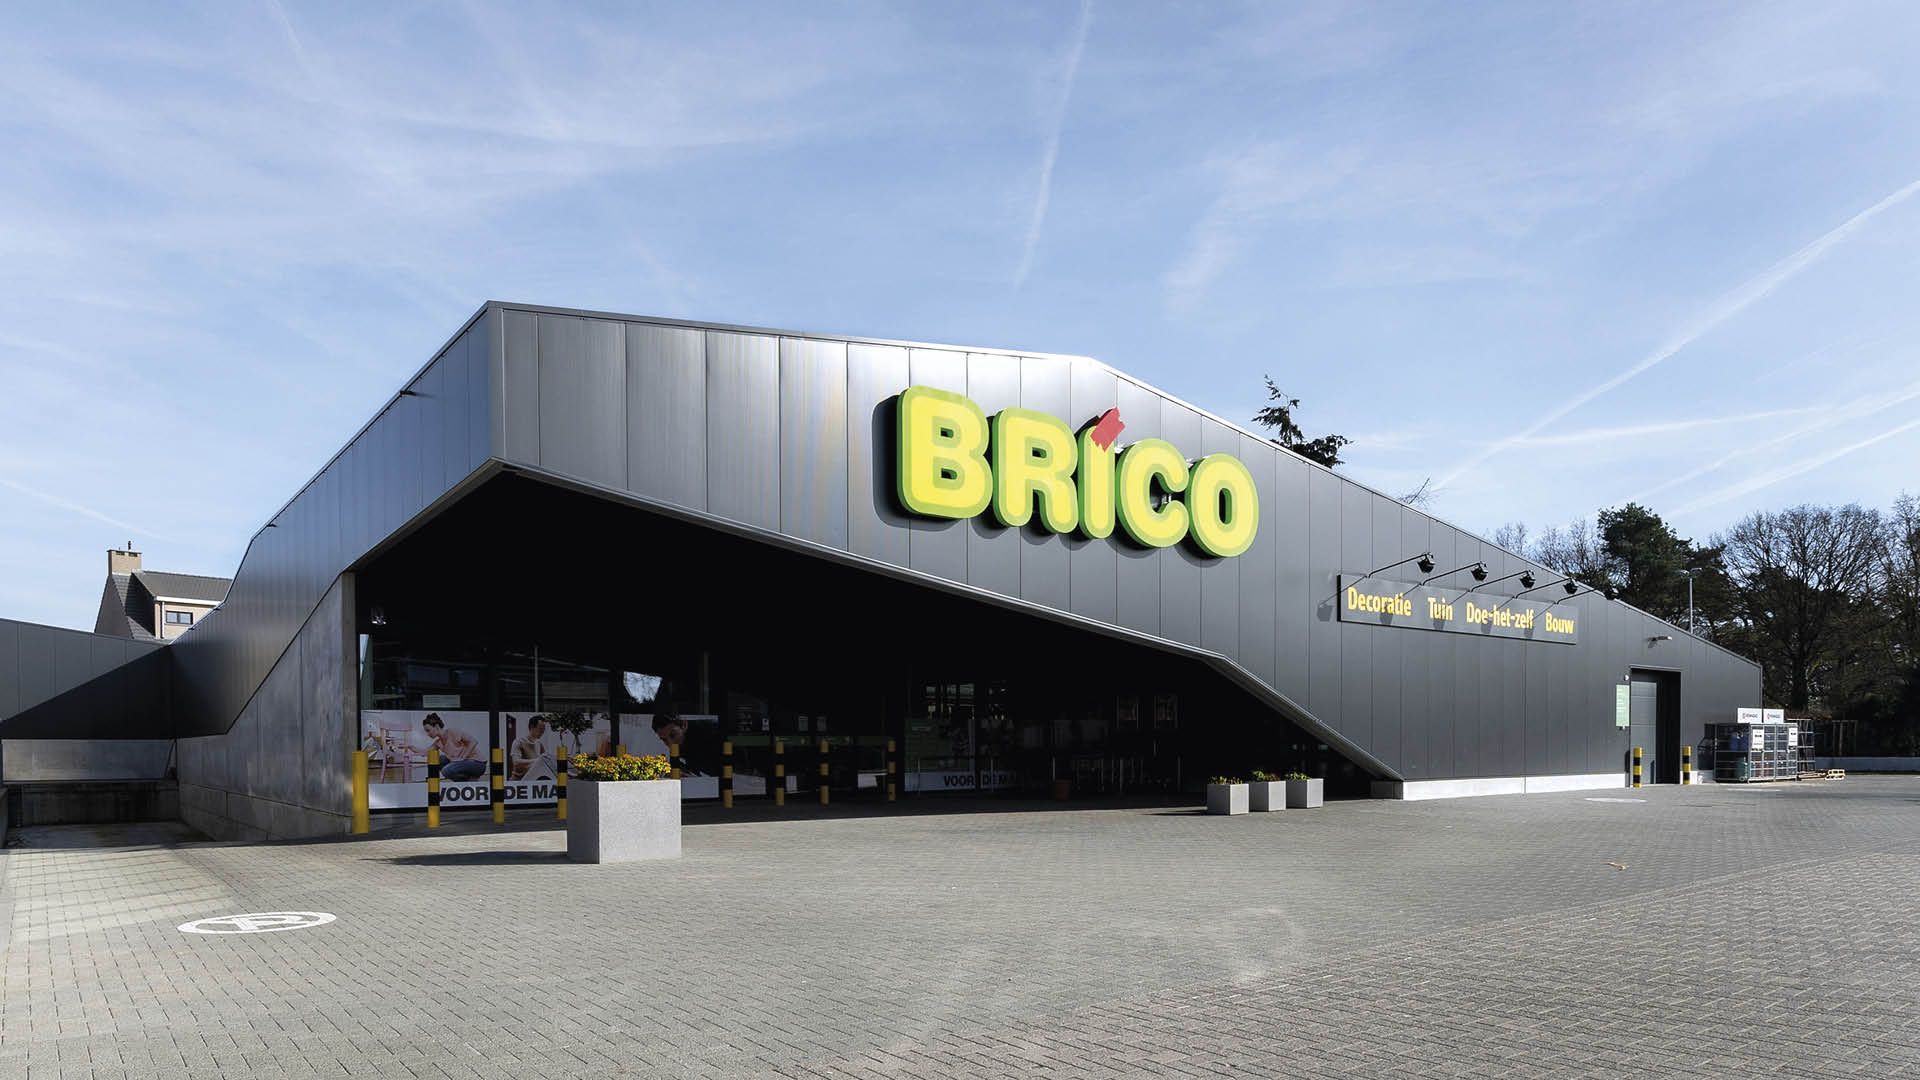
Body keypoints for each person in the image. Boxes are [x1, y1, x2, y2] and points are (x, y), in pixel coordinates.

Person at [422, 713, 486, 780]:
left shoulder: (453, 732)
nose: (428, 734)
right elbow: (425, 752)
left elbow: (473, 741)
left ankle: (468, 779)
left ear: (436, 726)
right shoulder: (438, 742)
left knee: (446, 771)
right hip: (463, 764)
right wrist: (413, 748)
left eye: (428, 730)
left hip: (477, 763)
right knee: (439, 759)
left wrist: (462, 758)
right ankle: (467, 778)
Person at [510, 715, 554, 781]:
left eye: (543, 729)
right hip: (519, 781)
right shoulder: (519, 742)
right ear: (532, 727)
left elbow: (545, 761)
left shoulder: (539, 744)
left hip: (533, 780)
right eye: (540, 729)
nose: (542, 732)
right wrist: (538, 760)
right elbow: (516, 762)